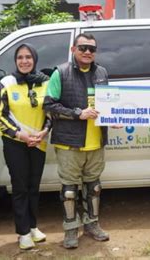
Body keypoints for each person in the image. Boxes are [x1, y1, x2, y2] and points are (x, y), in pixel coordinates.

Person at [43, 33, 109, 249]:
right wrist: (78, 113)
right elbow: (49, 106)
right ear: (73, 50)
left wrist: (114, 117)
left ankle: (92, 224)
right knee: (70, 190)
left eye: (92, 48)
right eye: (83, 48)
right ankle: (71, 229)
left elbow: (109, 102)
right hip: (69, 143)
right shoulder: (60, 73)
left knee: (94, 187)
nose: (87, 52)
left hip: (95, 141)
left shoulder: (101, 72)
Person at [0, 44, 51, 250]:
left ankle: (33, 227)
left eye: (28, 57)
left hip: (38, 142)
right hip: (15, 143)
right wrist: (20, 134)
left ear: (35, 59)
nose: (24, 61)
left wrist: (44, 132)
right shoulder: (6, 83)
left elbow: (50, 112)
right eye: (20, 57)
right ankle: (23, 232)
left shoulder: (45, 83)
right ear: (15, 60)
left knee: (34, 187)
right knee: (20, 187)